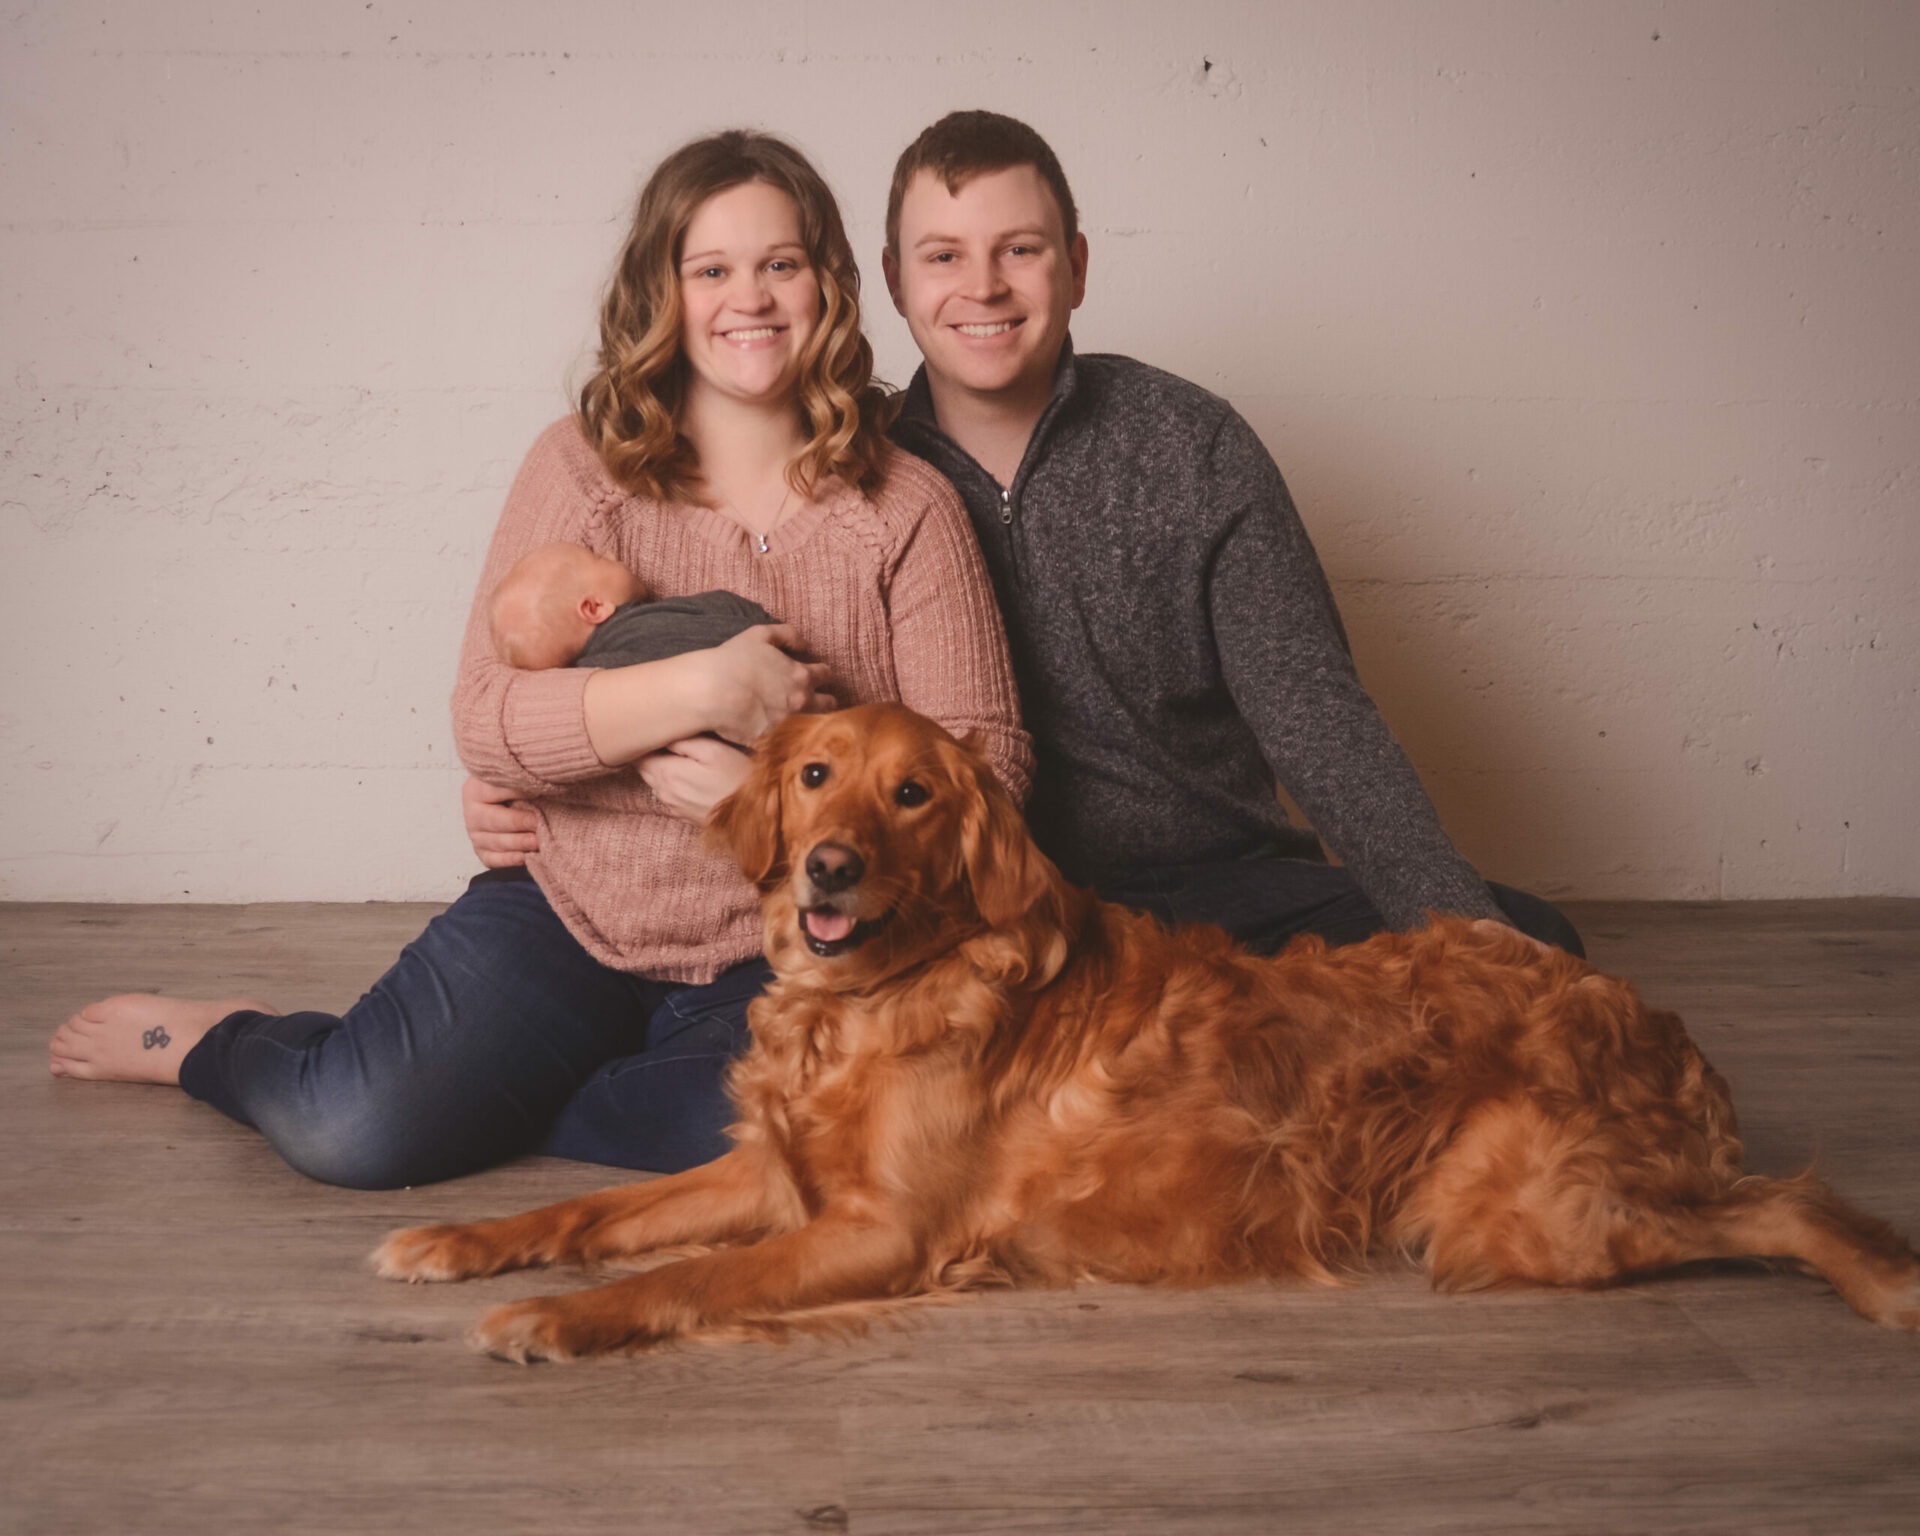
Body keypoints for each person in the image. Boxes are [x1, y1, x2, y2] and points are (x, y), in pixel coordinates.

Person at [48, 129, 1031, 1189]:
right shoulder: (581, 468)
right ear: (665, 290)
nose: (748, 298)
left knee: (796, 1149)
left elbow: (993, 766)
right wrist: (699, 687)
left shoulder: (906, 508)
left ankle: (469, 1086)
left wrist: (769, 802)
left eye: (779, 265)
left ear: (828, 285)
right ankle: (235, 1044)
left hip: (794, 949)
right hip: (568, 916)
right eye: (710, 270)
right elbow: (485, 717)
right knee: (353, 1133)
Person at [466, 110, 1583, 960]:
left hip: (1214, 881)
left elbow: (1316, 713)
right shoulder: (861, 478)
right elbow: (702, 700)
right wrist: (545, 786)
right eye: (944, 255)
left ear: (1079, 264)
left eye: (1022, 250)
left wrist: (1461, 924)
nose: (984, 287)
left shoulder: (1188, 446)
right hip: (980, 900)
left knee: (1525, 948)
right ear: (895, 283)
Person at [487, 540, 775, 674]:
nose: (612, 554)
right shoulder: (631, 643)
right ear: (594, 608)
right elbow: (727, 618)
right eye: (598, 558)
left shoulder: (599, 667)